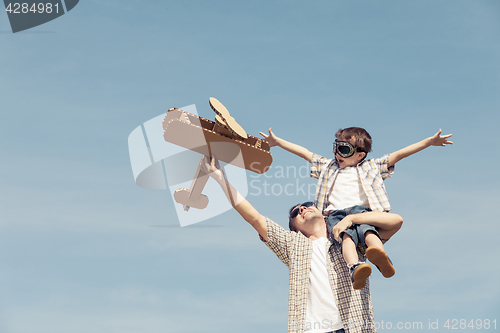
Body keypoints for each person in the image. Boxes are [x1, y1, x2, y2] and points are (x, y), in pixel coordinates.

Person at [200, 156, 403, 333]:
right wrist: (220, 178)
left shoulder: (346, 236)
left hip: (354, 327)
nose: (302, 209)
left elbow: (394, 222)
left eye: (306, 205)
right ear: (295, 228)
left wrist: (351, 219)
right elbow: (255, 218)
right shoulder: (293, 245)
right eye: (295, 212)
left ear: (323, 214)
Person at [259, 127, 453, 289]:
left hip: (361, 211)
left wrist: (428, 142)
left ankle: (381, 257)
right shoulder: (329, 167)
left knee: (368, 231)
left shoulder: (371, 167)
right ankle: (355, 268)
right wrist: (278, 142)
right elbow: (304, 153)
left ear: (360, 154)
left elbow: (399, 154)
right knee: (346, 237)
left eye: (344, 150)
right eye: (336, 148)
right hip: (335, 214)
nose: (337, 154)